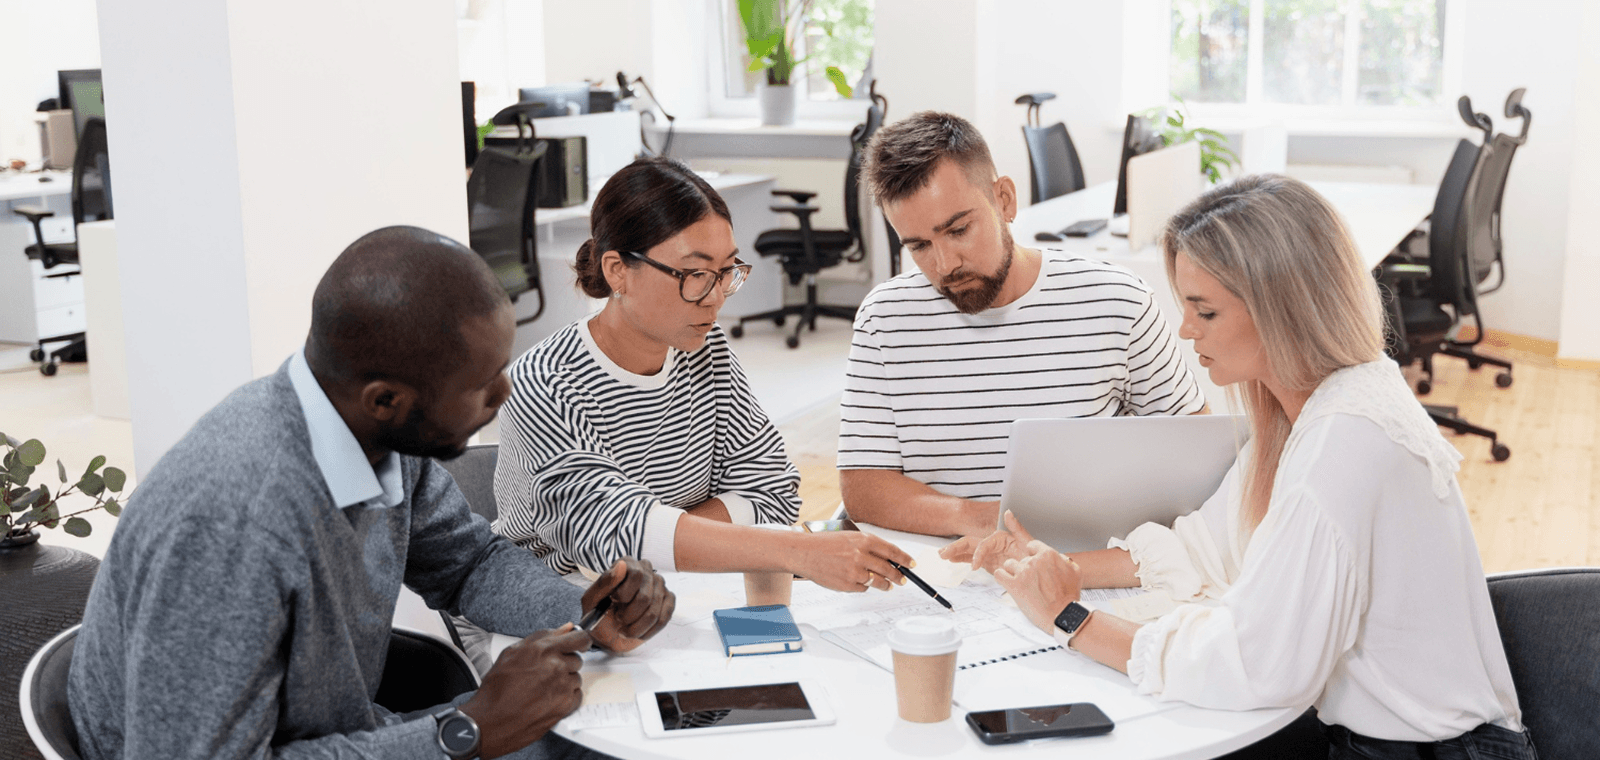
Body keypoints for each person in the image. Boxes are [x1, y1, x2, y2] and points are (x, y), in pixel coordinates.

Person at [970, 175, 1532, 758]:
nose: (1185, 328)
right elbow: (1205, 546)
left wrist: (1070, 621)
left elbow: (1260, 664)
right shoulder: (1321, 405)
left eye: (1205, 311)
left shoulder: (1343, 444)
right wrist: (1050, 568)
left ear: (1282, 310)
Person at [69, 226, 675, 760]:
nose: (506, 395)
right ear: (387, 399)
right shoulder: (234, 523)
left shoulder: (376, 439)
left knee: (624, 737)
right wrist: (463, 731)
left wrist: (585, 616)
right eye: (482, 385)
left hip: (349, 736)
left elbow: (467, 564)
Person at [491, 157, 911, 595]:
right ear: (618, 270)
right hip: (555, 611)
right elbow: (607, 538)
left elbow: (774, 489)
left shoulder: (705, 351)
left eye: (725, 272)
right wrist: (791, 550)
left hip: (680, 591)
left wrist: (664, 537)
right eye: (693, 274)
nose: (714, 299)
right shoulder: (542, 382)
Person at [840, 111, 1207, 541]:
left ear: (1005, 200)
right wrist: (983, 520)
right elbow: (862, 486)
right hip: (943, 574)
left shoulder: (1118, 300)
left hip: (1083, 565)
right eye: (919, 246)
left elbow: (1196, 453)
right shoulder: (884, 319)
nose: (944, 265)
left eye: (958, 230)